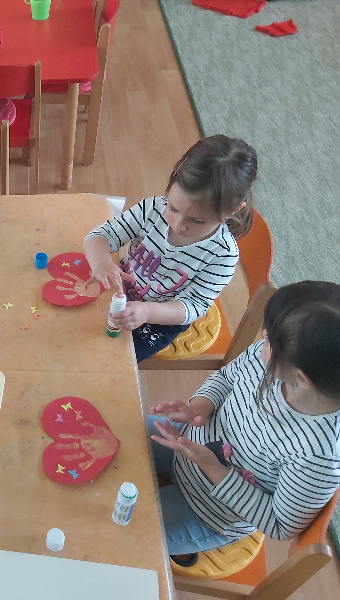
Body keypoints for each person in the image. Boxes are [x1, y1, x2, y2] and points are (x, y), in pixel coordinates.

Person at [147, 281, 340, 566]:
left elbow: (279, 524)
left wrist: (211, 466)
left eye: (269, 339)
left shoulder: (318, 455)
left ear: (302, 378)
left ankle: (182, 543)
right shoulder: (269, 358)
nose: (262, 338)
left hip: (208, 512)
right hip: (184, 441)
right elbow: (227, 378)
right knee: (113, 432)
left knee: (125, 526)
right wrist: (198, 407)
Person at [84, 134, 258, 361]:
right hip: (120, 290)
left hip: (161, 318)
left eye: (197, 221)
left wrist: (148, 312)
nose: (178, 225)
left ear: (233, 210)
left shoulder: (222, 255)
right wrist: (100, 261)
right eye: (174, 208)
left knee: (111, 359)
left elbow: (193, 306)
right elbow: (100, 236)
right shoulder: (153, 209)